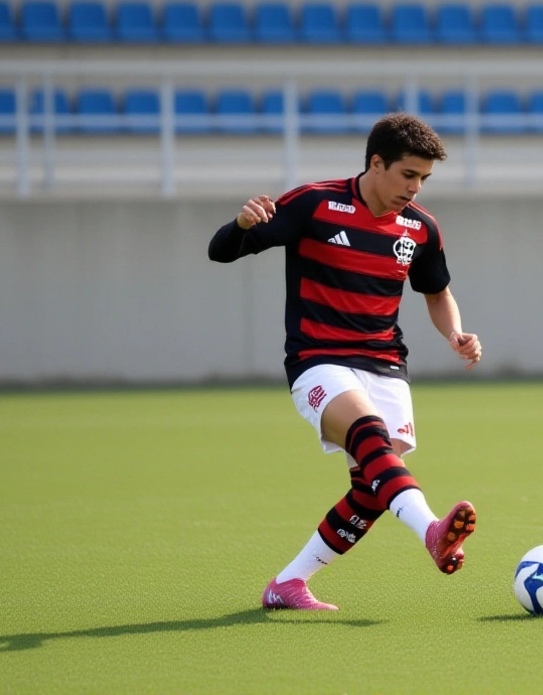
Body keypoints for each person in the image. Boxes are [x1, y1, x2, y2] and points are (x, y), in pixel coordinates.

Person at [207, 114, 483, 611]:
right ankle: (432, 532)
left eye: (424, 179)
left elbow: (437, 293)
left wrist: (455, 333)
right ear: (376, 163)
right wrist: (242, 225)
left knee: (375, 486)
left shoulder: (420, 229)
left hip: (385, 364)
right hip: (319, 360)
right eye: (407, 175)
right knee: (372, 439)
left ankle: (288, 584)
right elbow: (220, 253)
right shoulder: (313, 203)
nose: (415, 188)